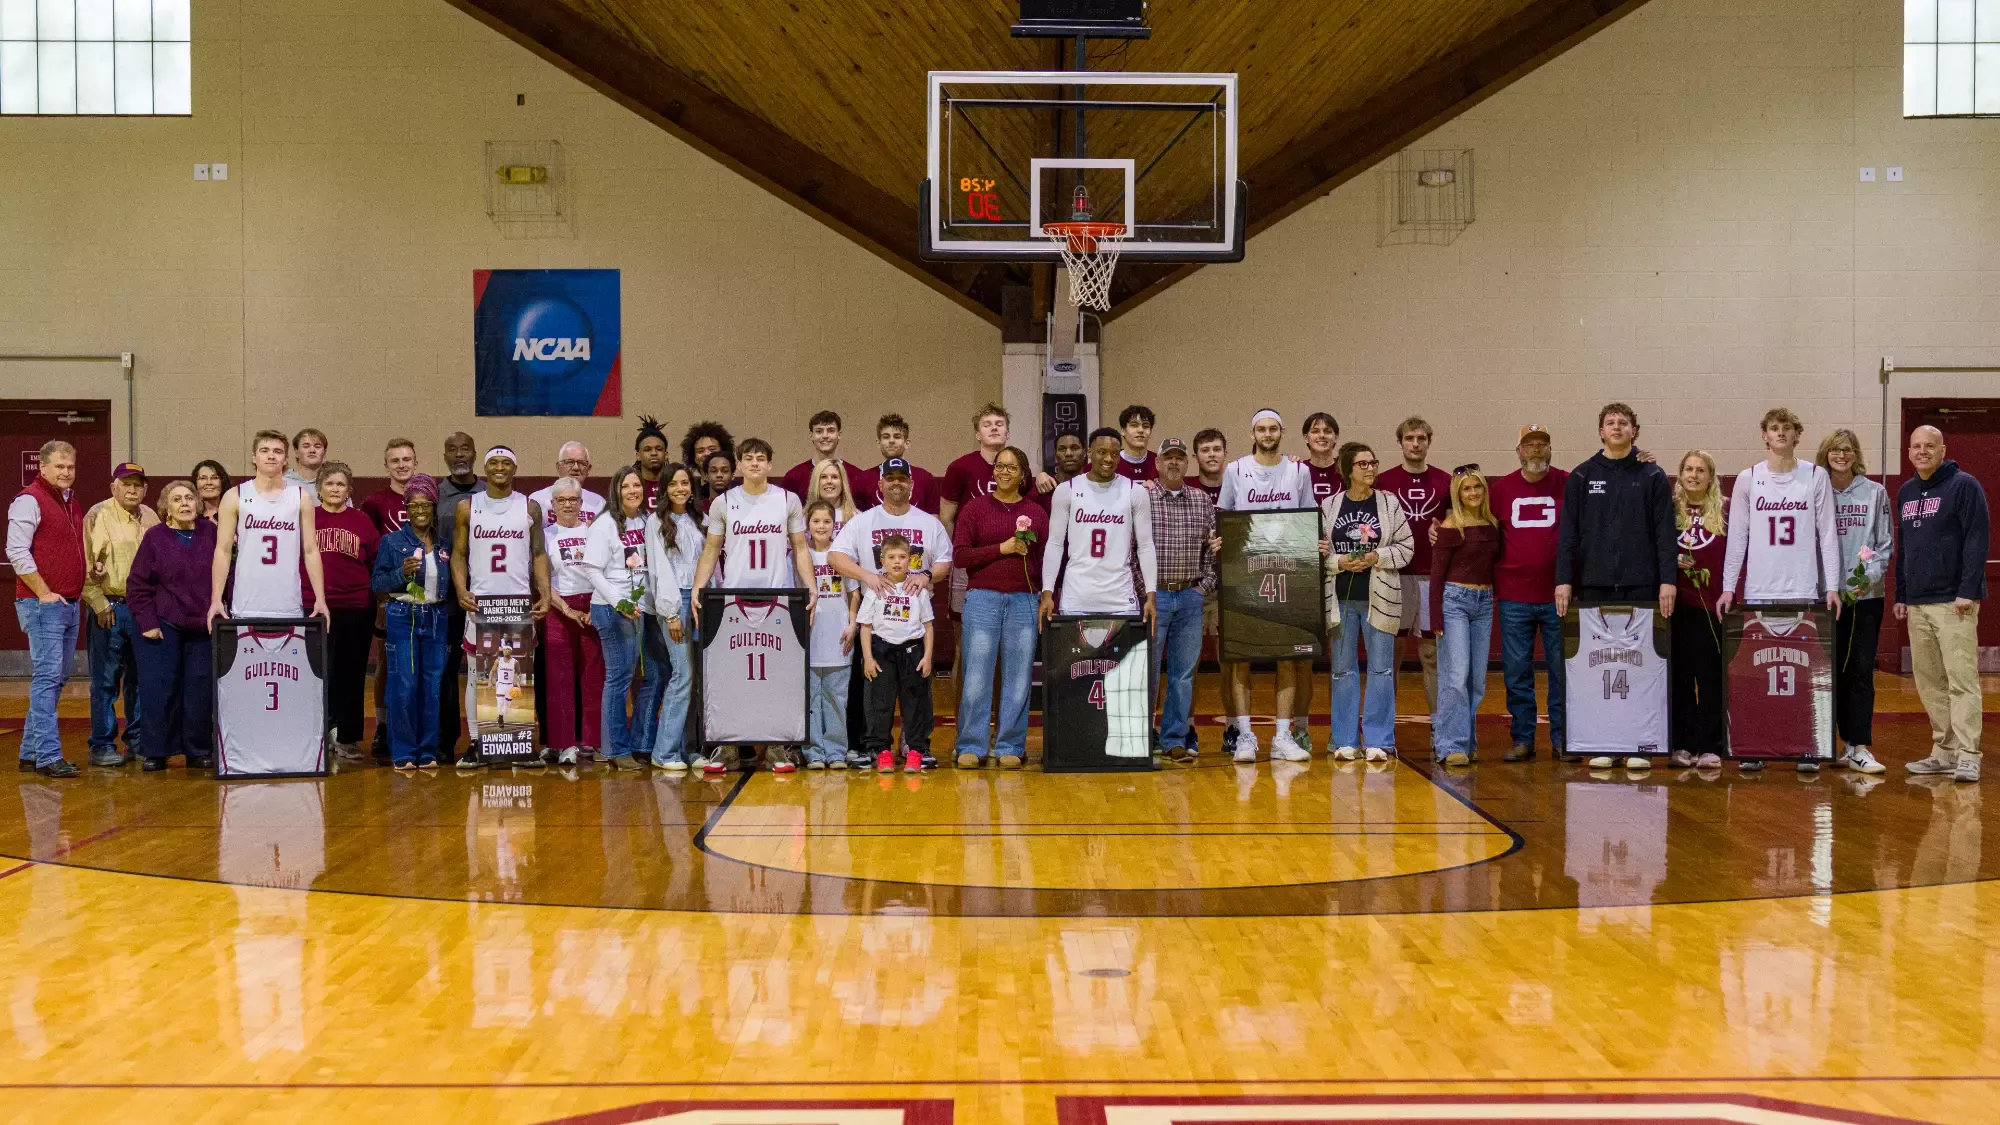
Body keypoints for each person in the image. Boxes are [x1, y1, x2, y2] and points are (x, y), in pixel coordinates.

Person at [1717, 408, 1842, 773]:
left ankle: (1807, 747)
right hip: (1758, 590)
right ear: (1765, 436)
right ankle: (1755, 746)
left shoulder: (1815, 476)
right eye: (1774, 428)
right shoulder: (1748, 478)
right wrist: (1728, 588)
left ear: (1796, 435)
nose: (1781, 433)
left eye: (1787, 428)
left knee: (1803, 675)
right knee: (1757, 675)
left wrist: (1831, 586)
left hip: (1803, 588)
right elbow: (1737, 538)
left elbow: (1827, 534)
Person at [693, 437, 815, 772]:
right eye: (749, 458)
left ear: (770, 465)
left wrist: (812, 587)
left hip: (779, 596)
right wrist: (698, 587)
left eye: (761, 458)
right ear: (740, 465)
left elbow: (801, 548)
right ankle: (729, 748)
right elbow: (711, 550)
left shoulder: (788, 500)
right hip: (734, 597)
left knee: (776, 676)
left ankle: (777, 747)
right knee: (732, 675)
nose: (755, 463)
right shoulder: (724, 502)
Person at [830, 457, 952, 767]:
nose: (896, 483)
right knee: (876, 694)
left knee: (916, 694)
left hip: (912, 622)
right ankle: (875, 747)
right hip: (879, 623)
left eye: (902, 478)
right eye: (890, 478)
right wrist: (867, 576)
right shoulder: (862, 521)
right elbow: (835, 555)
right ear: (880, 484)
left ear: (911, 484)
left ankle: (916, 746)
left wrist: (926, 576)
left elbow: (944, 562)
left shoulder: (929, 522)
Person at [1216, 409, 1315, 762]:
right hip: (1246, 573)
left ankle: (1283, 737)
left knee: (1286, 657)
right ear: (1253, 432)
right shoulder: (1236, 470)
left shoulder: (1299, 470)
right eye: (1262, 428)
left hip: (1287, 572)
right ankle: (1245, 736)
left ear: (1281, 432)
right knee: (1242, 658)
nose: (1268, 434)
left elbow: (1309, 519)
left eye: (1273, 428)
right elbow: (1224, 518)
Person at [1895, 424, 1989, 783]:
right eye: (1916, 446)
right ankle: (1944, 750)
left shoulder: (1964, 486)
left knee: (1961, 680)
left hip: (1954, 602)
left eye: (1929, 446)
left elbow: (1977, 539)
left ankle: (1968, 754)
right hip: (1917, 603)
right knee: (1930, 681)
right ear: (1909, 453)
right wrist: (1903, 595)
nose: (1922, 451)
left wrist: (1967, 590)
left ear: (1943, 450)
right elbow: (1905, 549)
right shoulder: (1905, 492)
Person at [450, 446, 552, 769]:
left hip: (518, 602)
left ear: (514, 468)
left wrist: (545, 593)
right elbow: (458, 554)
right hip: (481, 602)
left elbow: (538, 555)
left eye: (505, 462)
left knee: (523, 675)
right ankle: (477, 743)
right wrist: (461, 588)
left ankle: (521, 745)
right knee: (476, 676)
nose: (499, 467)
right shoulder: (467, 508)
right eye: (493, 462)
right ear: (485, 467)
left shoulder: (530, 507)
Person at [952, 445, 1048, 769]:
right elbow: (961, 556)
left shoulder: (1036, 512)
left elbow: (1046, 559)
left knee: (1018, 677)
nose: (1004, 472)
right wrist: (1002, 548)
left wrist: (1047, 597)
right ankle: (972, 744)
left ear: (1022, 474)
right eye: (999, 466)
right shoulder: (974, 510)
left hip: (1024, 599)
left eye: (1011, 467)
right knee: (977, 675)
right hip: (982, 599)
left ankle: (1010, 744)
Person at [1322, 442, 1412, 762]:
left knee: (1381, 670)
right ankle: (1345, 739)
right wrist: (1339, 563)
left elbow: (1406, 547)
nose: (1371, 468)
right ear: (1348, 470)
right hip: (1341, 601)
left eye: (1373, 462)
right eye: (1363, 464)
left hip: (1380, 599)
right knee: (1343, 670)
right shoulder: (1329, 506)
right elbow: (1317, 554)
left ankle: (1379, 739)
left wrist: (1377, 556)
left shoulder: (1389, 504)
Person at [1489, 425, 1569, 762]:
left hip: (1558, 597)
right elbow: (1482, 529)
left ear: (1551, 449)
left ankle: (1564, 739)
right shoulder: (1501, 488)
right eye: (1529, 445)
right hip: (1514, 596)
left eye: (1542, 444)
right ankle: (1523, 738)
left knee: (1561, 670)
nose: (1536, 450)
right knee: (1517, 670)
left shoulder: (1569, 482)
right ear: (1518, 450)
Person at [1554, 403, 1677, 614]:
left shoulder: (1653, 475)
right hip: (1593, 585)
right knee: (1598, 648)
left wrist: (1668, 580)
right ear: (1602, 432)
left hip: (1643, 585)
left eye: (1623, 423)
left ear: (1634, 430)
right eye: (1610, 423)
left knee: (1639, 648)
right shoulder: (1582, 475)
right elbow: (1568, 535)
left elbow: (1664, 534)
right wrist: (1563, 580)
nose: (1617, 427)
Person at [127, 480, 216, 771]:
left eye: (190, 497)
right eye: (177, 499)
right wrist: (148, 622)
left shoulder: (211, 533)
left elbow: (228, 575)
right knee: (159, 688)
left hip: (204, 625)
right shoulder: (155, 537)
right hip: (163, 624)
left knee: (199, 690)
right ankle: (156, 751)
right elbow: (138, 585)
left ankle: (197, 749)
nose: (185, 503)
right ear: (167, 507)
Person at [10, 440, 87, 777]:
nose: (65, 472)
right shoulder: (29, 500)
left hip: (69, 602)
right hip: (43, 604)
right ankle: (47, 756)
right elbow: (17, 552)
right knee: (47, 678)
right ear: (42, 468)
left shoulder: (70, 502)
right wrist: (43, 592)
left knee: (59, 677)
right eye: (59, 466)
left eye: (70, 466)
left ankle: (30, 752)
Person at [1819, 428, 1892, 775]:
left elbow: (1885, 543)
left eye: (1847, 449)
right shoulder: (1815, 492)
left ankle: (1857, 746)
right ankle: (1819, 745)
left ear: (1855, 454)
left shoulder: (1875, 492)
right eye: (1835, 449)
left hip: (1865, 598)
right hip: (1824, 597)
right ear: (1826, 453)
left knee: (1860, 671)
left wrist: (1869, 578)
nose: (1841, 455)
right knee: (1824, 673)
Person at [370, 474, 451, 769]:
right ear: (406, 508)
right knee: (404, 684)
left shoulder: (444, 544)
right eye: (414, 506)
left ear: (433, 507)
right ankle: (403, 750)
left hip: (436, 616)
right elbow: (377, 581)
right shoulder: (392, 542)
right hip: (403, 616)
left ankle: (427, 749)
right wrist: (401, 574)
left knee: (432, 686)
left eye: (426, 505)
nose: (420, 511)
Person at [1040, 428, 1157, 630]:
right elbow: (1055, 544)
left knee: (1122, 663)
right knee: (1077, 662)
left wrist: (1151, 596)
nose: (1108, 459)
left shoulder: (1135, 492)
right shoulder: (1066, 490)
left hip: (1120, 599)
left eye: (1114, 453)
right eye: (1102, 452)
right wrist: (1047, 592)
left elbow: (1146, 546)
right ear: (1089, 453)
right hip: (1076, 598)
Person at [209, 429, 330, 626]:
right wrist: (216, 599)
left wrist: (320, 598)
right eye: (264, 450)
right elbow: (222, 551)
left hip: (288, 601)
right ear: (254, 458)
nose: (271, 455)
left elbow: (310, 550)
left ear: (286, 459)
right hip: (246, 601)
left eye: (278, 451)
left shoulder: (301, 497)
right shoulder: (235, 495)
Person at [1146, 438, 1218, 765]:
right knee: (1146, 671)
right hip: (1154, 597)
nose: (1173, 463)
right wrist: (1142, 589)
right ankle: (1142, 737)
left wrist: (1204, 586)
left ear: (1186, 464)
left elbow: (1213, 549)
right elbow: (1130, 548)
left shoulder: (1202, 501)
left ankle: (1174, 737)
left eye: (1179, 458)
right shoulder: (1142, 497)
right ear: (1157, 463)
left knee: (1182, 674)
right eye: (1167, 458)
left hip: (1190, 596)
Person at [82, 461, 158, 767]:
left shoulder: (151, 516)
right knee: (105, 680)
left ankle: (137, 740)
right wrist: (98, 602)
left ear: (145, 488)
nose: (132, 489)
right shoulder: (97, 514)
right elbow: (85, 562)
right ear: (113, 487)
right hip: (109, 607)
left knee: (139, 680)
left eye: (138, 484)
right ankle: (101, 744)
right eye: (126, 484)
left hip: (142, 609)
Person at [581, 467, 657, 771]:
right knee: (619, 677)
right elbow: (591, 569)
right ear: (616, 490)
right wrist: (619, 602)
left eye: (637, 485)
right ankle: (615, 749)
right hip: (612, 609)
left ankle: (639, 743)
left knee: (644, 676)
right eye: (626, 486)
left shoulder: (645, 520)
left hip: (638, 608)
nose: (633, 490)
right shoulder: (604, 525)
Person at [1377, 416, 1451, 709]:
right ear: (1401, 443)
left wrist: (1444, 529)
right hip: (1394, 576)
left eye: (1421, 438)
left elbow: (1458, 525)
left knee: (1431, 654)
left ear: (1429, 443)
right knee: (1390, 654)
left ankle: (1438, 725)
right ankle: (1385, 726)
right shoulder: (1384, 481)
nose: (1416, 443)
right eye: (1410, 438)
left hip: (1431, 577)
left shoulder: (1446, 481)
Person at [310, 462, 381, 762]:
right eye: (330, 484)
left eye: (341, 485)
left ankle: (348, 737)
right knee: (317, 673)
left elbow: (375, 562)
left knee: (351, 673)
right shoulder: (308, 518)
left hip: (356, 606)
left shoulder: (362, 521)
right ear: (319, 489)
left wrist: (376, 602)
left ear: (349, 490)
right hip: (316, 606)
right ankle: (317, 734)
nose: (335, 489)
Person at [1429, 469, 1499, 767]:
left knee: (1477, 681)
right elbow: (1436, 576)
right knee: (1455, 677)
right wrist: (1436, 618)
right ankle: (1449, 744)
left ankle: (1467, 740)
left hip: (1484, 603)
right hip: (1454, 601)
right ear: (1457, 494)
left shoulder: (1493, 525)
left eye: (1477, 487)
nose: (1472, 493)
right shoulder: (1450, 526)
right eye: (1466, 489)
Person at [1669, 450, 1728, 771]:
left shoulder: (1725, 510)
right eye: (1688, 469)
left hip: (1711, 607)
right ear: (1680, 474)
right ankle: (1683, 744)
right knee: (1680, 677)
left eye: (1700, 470)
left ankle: (1710, 745)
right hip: (1677, 607)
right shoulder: (1667, 510)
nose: (1694, 475)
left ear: (1710, 476)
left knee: (1710, 678)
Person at [360, 437, 419, 761]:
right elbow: (371, 554)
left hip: (425, 593)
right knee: (386, 662)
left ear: (416, 462)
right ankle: (383, 726)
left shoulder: (426, 496)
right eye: (394, 460)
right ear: (386, 466)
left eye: (406, 459)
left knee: (421, 664)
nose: (401, 464)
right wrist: (382, 596)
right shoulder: (374, 503)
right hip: (391, 594)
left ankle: (418, 727)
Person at [858, 535, 936, 773]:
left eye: (902, 557)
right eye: (891, 557)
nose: (897, 562)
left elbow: (928, 626)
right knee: (880, 702)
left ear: (910, 560)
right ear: (882, 560)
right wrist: (868, 658)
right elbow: (865, 626)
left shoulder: (917, 589)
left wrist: (928, 656)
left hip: (912, 651)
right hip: (882, 651)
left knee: (915, 703)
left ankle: (916, 750)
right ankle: (881, 751)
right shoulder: (876, 588)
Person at [541, 477, 602, 768]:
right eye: (561, 500)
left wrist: (595, 606)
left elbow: (605, 572)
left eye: (573, 500)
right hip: (559, 609)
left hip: (592, 608)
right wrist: (565, 609)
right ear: (552, 505)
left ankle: (591, 740)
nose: (567, 505)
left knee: (593, 677)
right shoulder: (544, 535)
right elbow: (541, 581)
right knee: (559, 678)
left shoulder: (594, 532)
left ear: (581, 503)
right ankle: (561, 743)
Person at [646, 463, 703, 770]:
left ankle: (689, 749)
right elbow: (659, 571)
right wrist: (670, 613)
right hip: (676, 602)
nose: (681, 488)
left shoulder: (699, 519)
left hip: (700, 601)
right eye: (674, 484)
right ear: (664, 489)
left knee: (695, 679)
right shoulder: (656, 522)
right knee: (682, 674)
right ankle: (664, 752)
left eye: (685, 483)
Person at [436, 431, 481, 756]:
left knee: (489, 668)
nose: (459, 454)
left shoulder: (489, 491)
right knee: (448, 669)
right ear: (445, 457)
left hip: (488, 596)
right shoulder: (437, 494)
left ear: (475, 453)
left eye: (465, 448)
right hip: (449, 597)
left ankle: (491, 738)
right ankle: (446, 740)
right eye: (452, 449)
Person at [804, 500, 859, 769]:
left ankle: (836, 751)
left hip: (838, 636)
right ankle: (814, 751)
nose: (822, 526)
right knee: (811, 698)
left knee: (837, 698)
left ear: (834, 525)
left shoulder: (841, 556)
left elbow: (853, 593)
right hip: (810, 638)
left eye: (827, 521)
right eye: (816, 521)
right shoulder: (798, 556)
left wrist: (852, 624)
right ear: (807, 524)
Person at [940, 402, 1012, 531]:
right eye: (987, 425)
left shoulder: (1019, 468)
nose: (994, 428)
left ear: (1007, 434)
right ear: (978, 435)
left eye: (999, 424)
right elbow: (946, 518)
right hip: (970, 545)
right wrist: (951, 550)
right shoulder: (959, 467)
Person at [854, 413, 941, 512]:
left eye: (897, 437)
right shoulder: (862, 480)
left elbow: (934, 520)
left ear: (907, 443)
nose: (891, 441)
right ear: (879, 443)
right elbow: (857, 520)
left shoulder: (925, 478)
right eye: (886, 437)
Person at [782, 410, 857, 499]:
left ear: (839, 435)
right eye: (819, 431)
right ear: (811, 436)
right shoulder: (793, 477)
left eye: (831, 430)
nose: (825, 435)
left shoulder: (856, 476)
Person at [527, 441, 606, 525]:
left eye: (581, 463)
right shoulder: (538, 499)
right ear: (558, 467)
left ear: (589, 469)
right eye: (569, 462)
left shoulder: (599, 503)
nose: (576, 467)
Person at [1301, 413, 1343, 508]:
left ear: (1336, 437)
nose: (1322, 435)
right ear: (1306, 438)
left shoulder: (1346, 470)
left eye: (1327, 431)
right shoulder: (1298, 470)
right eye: (1315, 431)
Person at [811, 457, 858, 535]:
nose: (829, 481)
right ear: (816, 483)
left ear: (843, 483)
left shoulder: (857, 518)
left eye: (834, 477)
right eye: (823, 477)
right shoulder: (801, 520)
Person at [1113, 404, 1158, 482]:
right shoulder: (1110, 461)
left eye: (1146, 426)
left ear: (1150, 431)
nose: (1141, 430)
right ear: (1123, 431)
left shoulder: (1159, 463)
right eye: (1134, 425)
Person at [635, 416, 671, 512]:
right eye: (647, 449)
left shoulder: (675, 484)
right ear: (638, 455)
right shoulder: (631, 486)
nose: (654, 453)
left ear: (666, 454)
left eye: (659, 449)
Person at [285, 427, 327, 501]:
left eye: (317, 446)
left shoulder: (334, 483)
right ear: (296, 452)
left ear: (324, 453)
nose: (312, 450)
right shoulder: (283, 482)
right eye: (306, 446)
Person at [698, 450, 737, 518]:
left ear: (732, 475)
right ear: (706, 476)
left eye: (724, 471)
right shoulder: (699, 508)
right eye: (713, 471)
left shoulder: (742, 506)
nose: (719, 475)